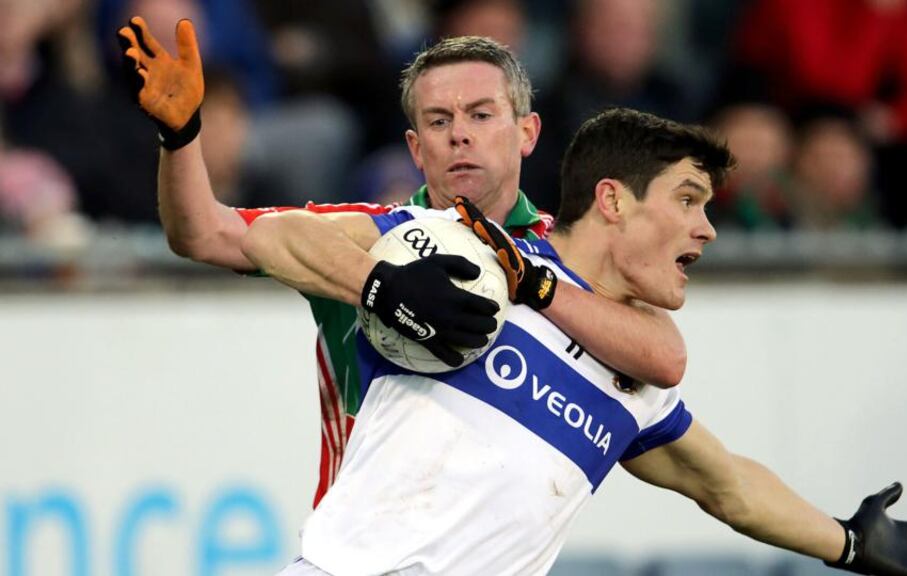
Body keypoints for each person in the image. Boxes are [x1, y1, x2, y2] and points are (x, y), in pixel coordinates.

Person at [241, 108, 907, 575]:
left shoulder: (634, 377)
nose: (707, 229)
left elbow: (728, 485)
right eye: (688, 199)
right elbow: (279, 235)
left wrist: (847, 541)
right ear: (614, 199)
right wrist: (380, 284)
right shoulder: (476, 256)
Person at [116, 18, 688, 508]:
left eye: (481, 115)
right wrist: (181, 136)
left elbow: (661, 361)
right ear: (416, 148)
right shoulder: (356, 235)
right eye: (438, 121)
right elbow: (202, 233)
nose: (459, 135)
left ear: (527, 132)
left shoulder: (564, 258)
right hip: (361, 550)